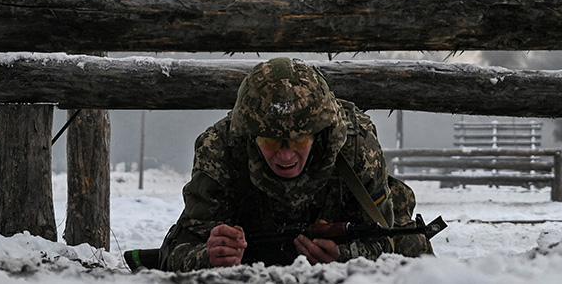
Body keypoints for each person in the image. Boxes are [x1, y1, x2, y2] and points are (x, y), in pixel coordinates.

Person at [157, 58, 432, 271]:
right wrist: (209, 256)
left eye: (299, 140)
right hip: (249, 257)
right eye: (271, 141)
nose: (285, 156)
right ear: (250, 137)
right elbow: (176, 250)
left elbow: (387, 240)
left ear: (320, 133)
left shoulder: (356, 145)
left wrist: (346, 256)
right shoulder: (219, 149)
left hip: (345, 249)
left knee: (414, 249)